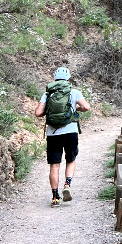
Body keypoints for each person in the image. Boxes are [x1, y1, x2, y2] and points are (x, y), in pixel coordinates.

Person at [34, 67, 91, 207]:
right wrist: (76, 109)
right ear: (68, 78)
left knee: (54, 165)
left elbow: (38, 113)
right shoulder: (74, 92)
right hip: (71, 131)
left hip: (53, 133)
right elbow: (87, 107)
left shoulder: (48, 94)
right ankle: (67, 184)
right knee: (71, 160)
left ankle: (55, 197)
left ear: (55, 78)